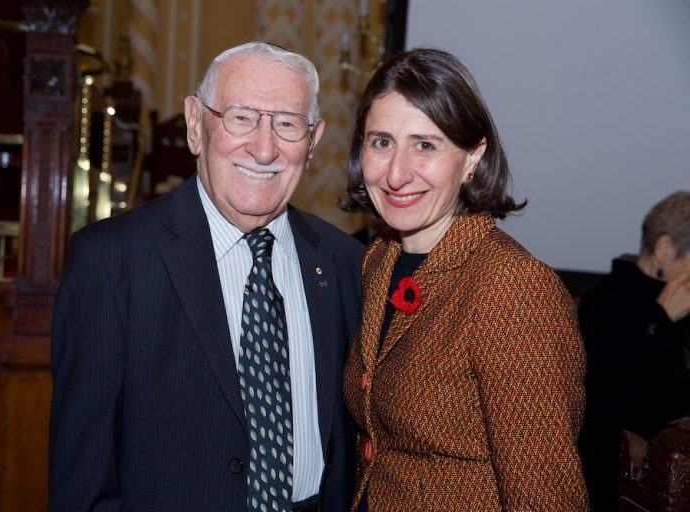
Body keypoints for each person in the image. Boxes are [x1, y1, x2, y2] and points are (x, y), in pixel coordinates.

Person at [49, 42, 365, 511]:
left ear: (313, 141)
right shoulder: (110, 262)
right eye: (241, 117)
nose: (263, 148)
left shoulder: (345, 263)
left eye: (287, 123)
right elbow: (83, 481)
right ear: (196, 125)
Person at [340, 47, 588, 511]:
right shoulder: (378, 261)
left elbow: (545, 495)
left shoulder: (510, 288)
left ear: (473, 158)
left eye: (425, 145)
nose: (396, 173)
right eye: (381, 142)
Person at [578, 191, 690, 511]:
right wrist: (662, 319)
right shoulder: (607, 300)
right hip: (619, 478)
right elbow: (607, 399)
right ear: (665, 248)